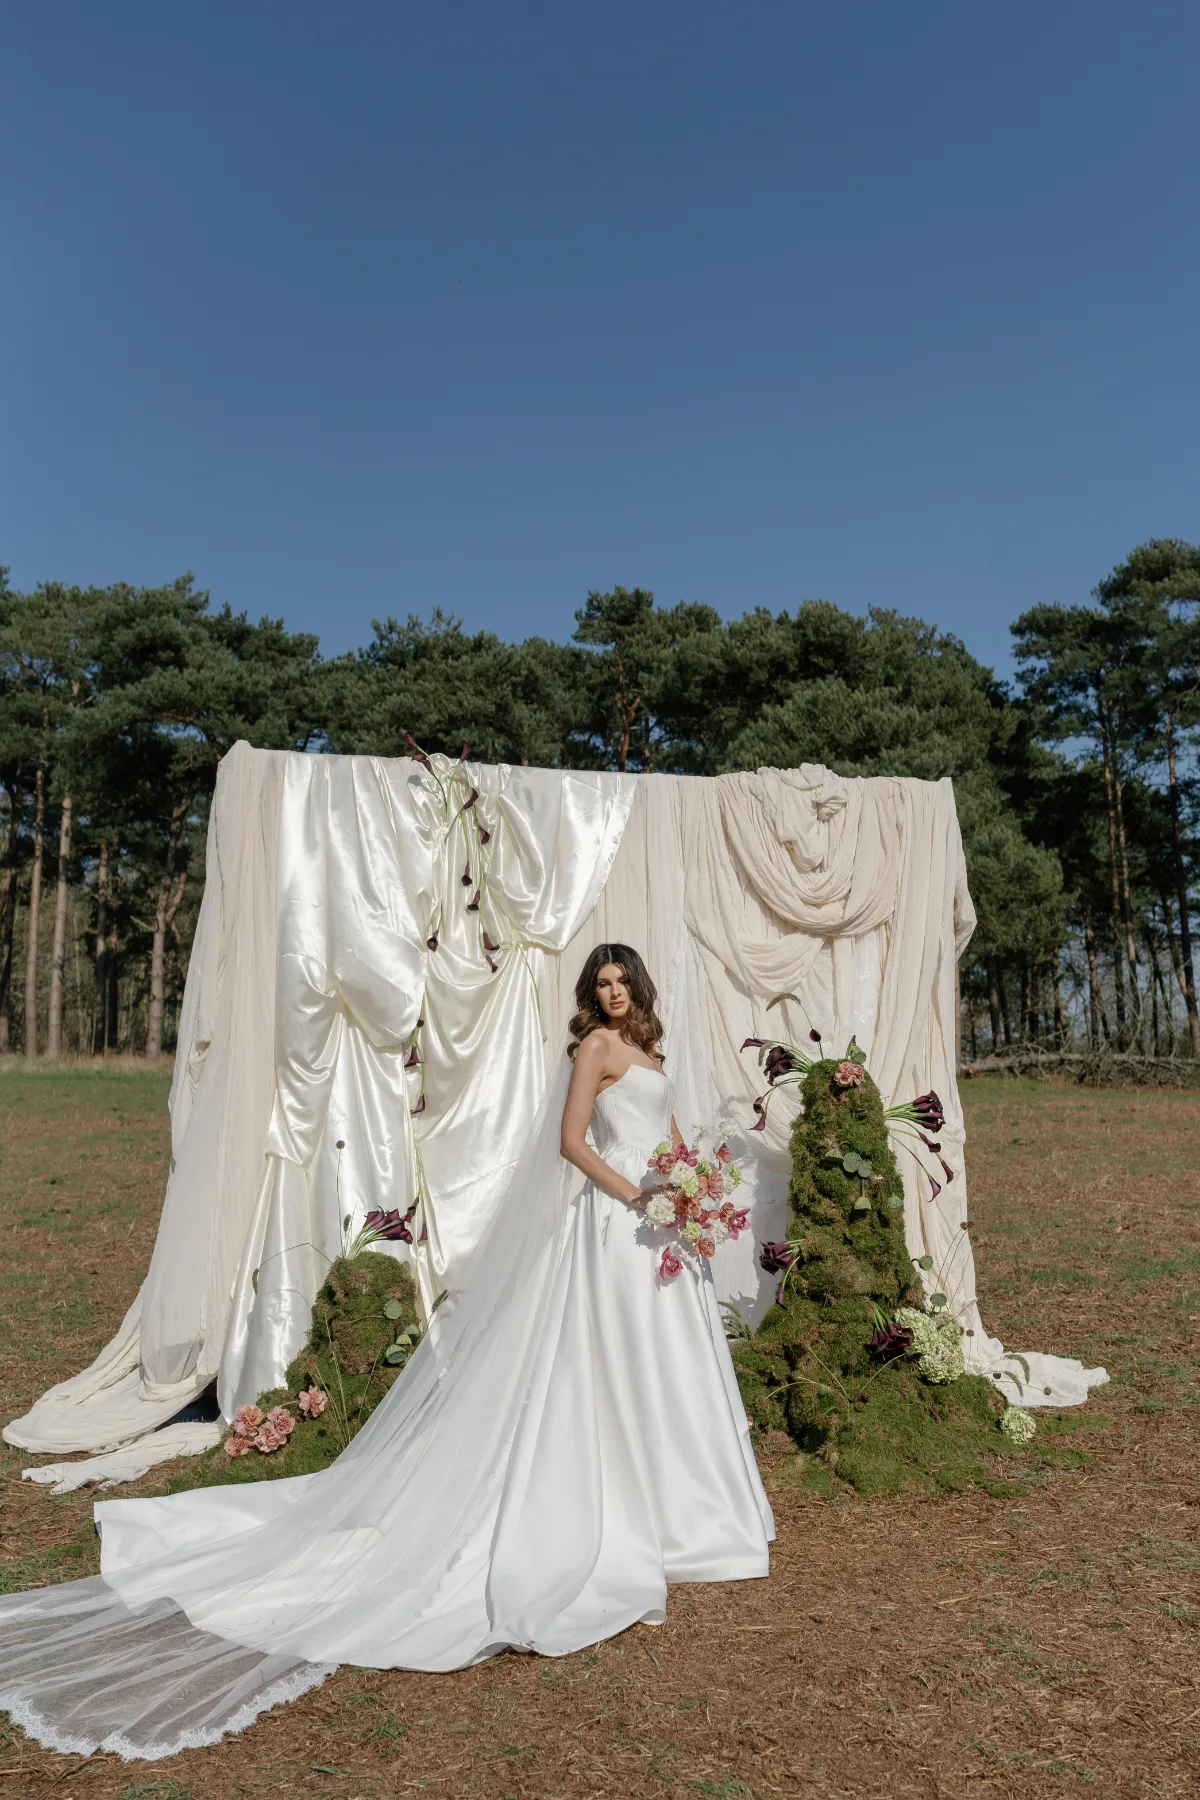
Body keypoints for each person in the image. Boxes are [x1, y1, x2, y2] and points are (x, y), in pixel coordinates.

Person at [0, 944, 772, 1762]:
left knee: (669, 1366)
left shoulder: (651, 1048)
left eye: (622, 983)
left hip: (663, 1225)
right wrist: (635, 1192)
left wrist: (693, 1190)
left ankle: (683, 1504)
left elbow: (673, 1137)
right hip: (614, 1221)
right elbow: (572, 1143)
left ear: (639, 988)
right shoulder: (595, 1048)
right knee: (608, 1362)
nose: (613, 995)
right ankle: (617, 1502)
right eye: (601, 985)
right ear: (591, 994)